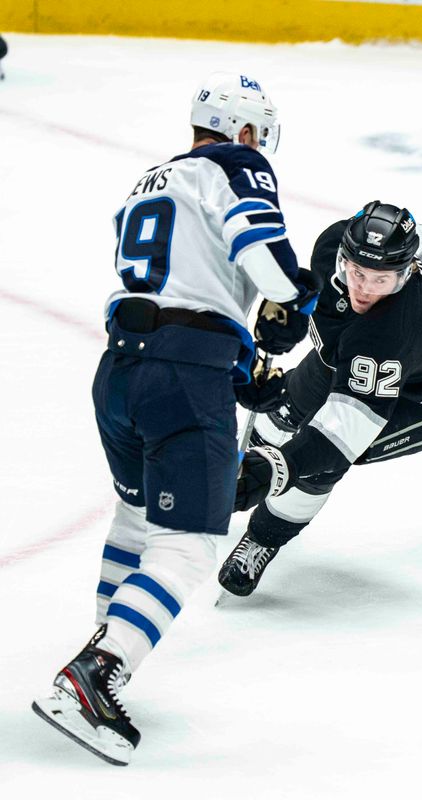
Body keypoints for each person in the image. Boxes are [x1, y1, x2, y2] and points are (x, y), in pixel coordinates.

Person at [32, 72, 320, 765]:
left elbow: (181, 287)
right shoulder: (236, 163)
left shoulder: (150, 182)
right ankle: (98, 674)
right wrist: (297, 298)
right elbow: (263, 259)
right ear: (243, 131)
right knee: (189, 545)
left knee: (136, 520)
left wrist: (241, 363)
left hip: (121, 372)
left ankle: (105, 645)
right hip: (184, 378)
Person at [216, 201, 422, 596]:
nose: (364, 288)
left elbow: (338, 437)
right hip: (357, 353)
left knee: (317, 463)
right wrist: (287, 309)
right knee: (284, 410)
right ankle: (234, 472)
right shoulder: (334, 243)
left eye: (381, 280)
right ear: (344, 257)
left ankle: (263, 538)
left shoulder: (388, 335)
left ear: (406, 273)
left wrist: (275, 470)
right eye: (358, 273)